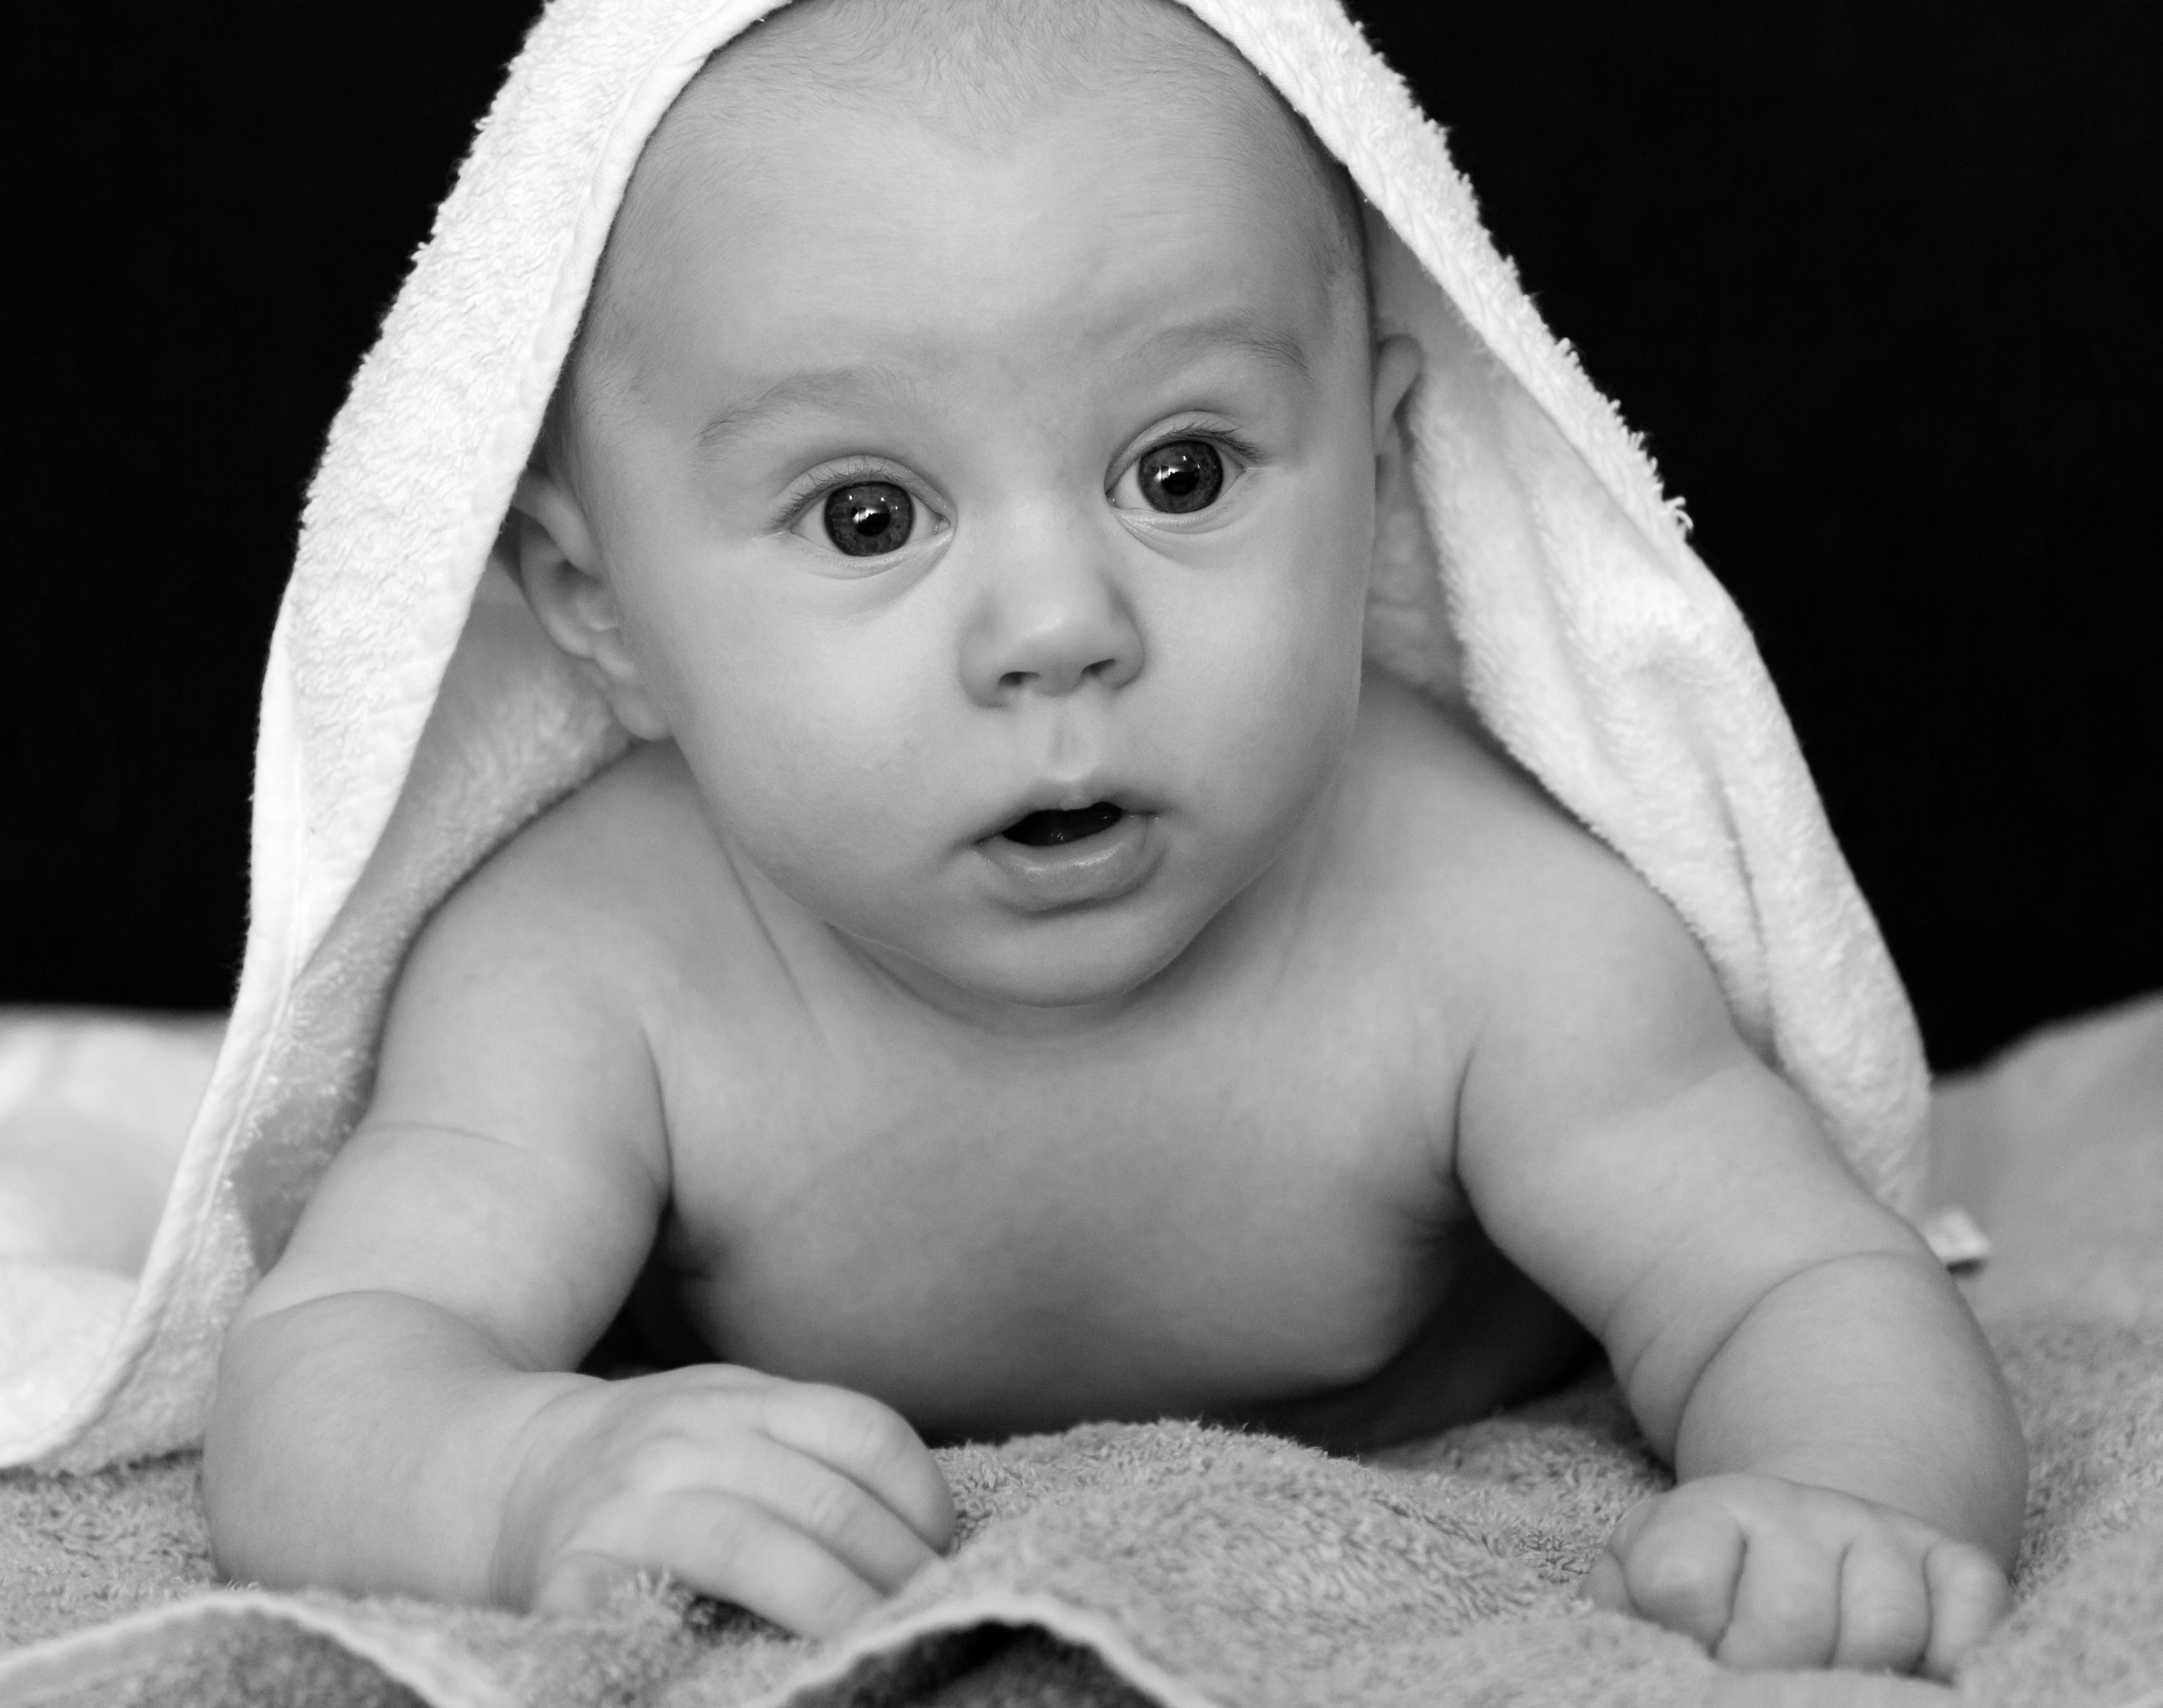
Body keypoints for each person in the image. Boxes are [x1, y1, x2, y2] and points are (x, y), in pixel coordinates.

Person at [202, 0, 2026, 1676]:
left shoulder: (1483, 926)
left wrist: (1843, 1496)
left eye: (1182, 472)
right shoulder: (593, 969)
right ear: (601, 610)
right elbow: (333, 1369)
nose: (1059, 623)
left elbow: (1795, 1274)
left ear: (1384, 471)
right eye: (864, 515)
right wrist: (525, 1473)